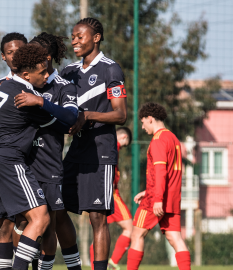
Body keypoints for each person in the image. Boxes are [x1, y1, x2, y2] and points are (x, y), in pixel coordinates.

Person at [0, 43, 53, 270]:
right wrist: (43, 102)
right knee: (41, 217)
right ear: (26, 74)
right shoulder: (26, 96)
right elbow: (67, 120)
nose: (47, 75)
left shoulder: (3, 88)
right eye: (42, 72)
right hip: (7, 161)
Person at [60, 17, 128, 270]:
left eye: (80, 36)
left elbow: (120, 114)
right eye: (73, 36)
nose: (74, 41)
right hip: (74, 151)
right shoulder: (69, 71)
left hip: (100, 152)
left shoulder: (111, 69)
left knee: (97, 218)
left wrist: (87, 115)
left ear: (96, 38)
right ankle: (73, 265)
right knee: (56, 208)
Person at [14, 31, 81, 270]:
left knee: (50, 222)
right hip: (20, 162)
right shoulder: (21, 83)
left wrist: (42, 103)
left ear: (47, 57)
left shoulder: (65, 87)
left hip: (49, 163)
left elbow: (72, 119)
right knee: (20, 222)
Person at [127, 103, 190, 270]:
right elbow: (168, 172)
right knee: (174, 236)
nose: (142, 127)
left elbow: (161, 171)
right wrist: (148, 191)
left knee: (137, 234)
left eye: (143, 122)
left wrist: (156, 198)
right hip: (172, 197)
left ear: (150, 119)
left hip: (157, 198)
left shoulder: (158, 140)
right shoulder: (173, 138)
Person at [89, 127, 133, 270]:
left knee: (99, 230)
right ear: (124, 137)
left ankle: (95, 266)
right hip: (111, 193)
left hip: (96, 190)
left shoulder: (103, 142)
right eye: (125, 144)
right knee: (129, 228)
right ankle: (113, 261)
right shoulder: (115, 144)